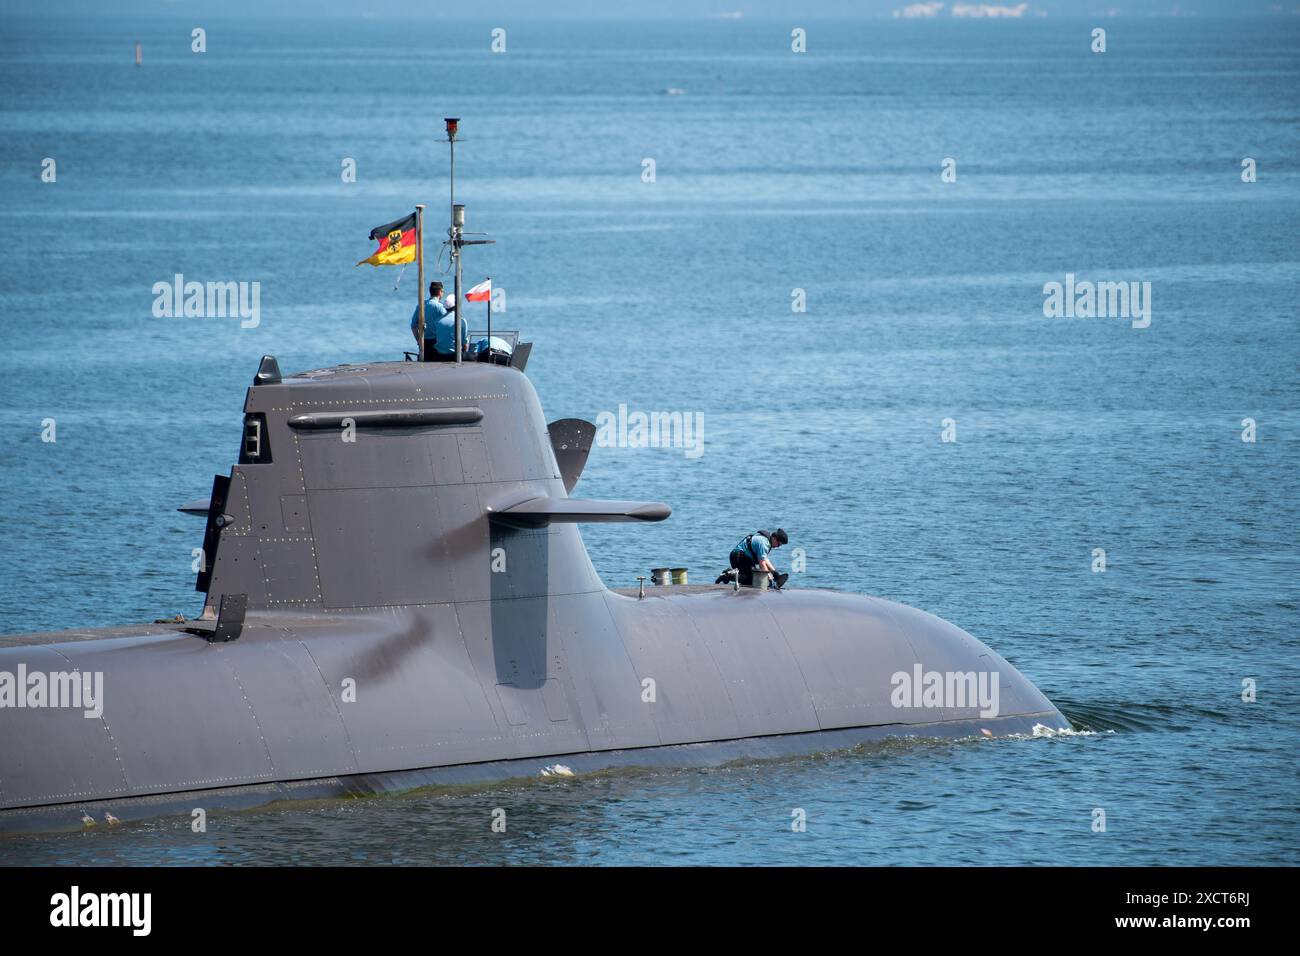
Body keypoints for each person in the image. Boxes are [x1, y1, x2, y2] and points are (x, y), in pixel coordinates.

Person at [410, 281, 466, 362]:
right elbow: (448, 324)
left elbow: (413, 325)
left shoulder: (420, 305)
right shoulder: (439, 307)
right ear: (440, 292)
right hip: (436, 343)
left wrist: (418, 340)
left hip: (423, 341)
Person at [723, 528, 788, 587]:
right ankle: (728, 575)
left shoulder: (766, 541)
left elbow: (765, 559)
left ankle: (730, 574)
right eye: (779, 544)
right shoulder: (764, 544)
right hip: (739, 557)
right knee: (751, 580)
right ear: (774, 538)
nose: (778, 546)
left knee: (753, 577)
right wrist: (769, 579)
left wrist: (775, 573)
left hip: (741, 557)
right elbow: (762, 564)